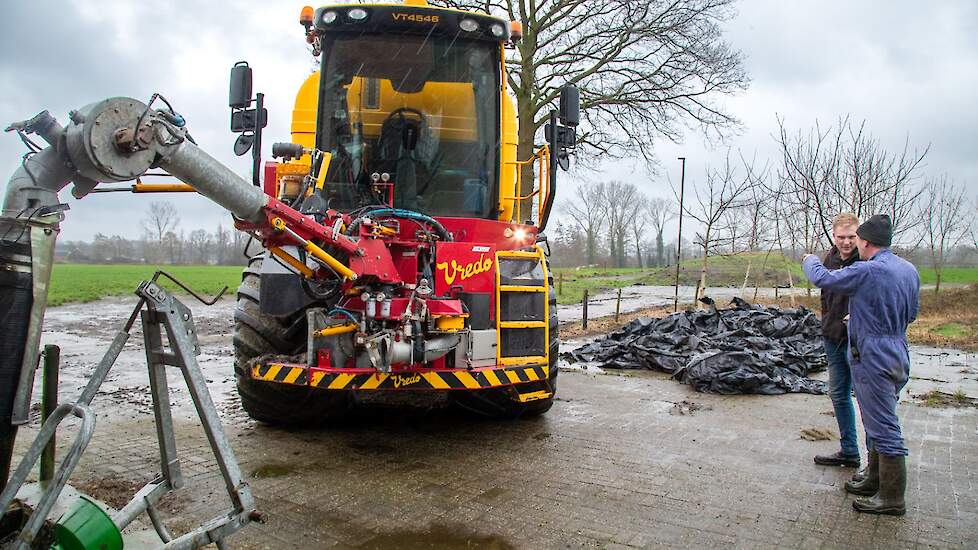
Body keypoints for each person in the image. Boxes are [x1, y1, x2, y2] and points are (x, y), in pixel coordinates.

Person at [802, 214, 919, 516]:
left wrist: (809, 260)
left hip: (873, 354)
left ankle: (892, 498)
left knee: (884, 425)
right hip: (897, 349)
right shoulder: (908, 269)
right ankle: (873, 480)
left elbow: (823, 278)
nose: (852, 244)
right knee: (878, 419)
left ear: (865, 242)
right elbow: (912, 313)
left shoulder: (868, 270)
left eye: (856, 240)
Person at [812, 213, 861, 469]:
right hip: (832, 336)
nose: (846, 242)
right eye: (841, 237)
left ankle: (876, 462)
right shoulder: (829, 258)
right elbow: (825, 296)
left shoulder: (865, 260)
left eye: (851, 237)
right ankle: (849, 451)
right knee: (838, 394)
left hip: (857, 340)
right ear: (834, 236)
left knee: (865, 397)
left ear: (859, 236)